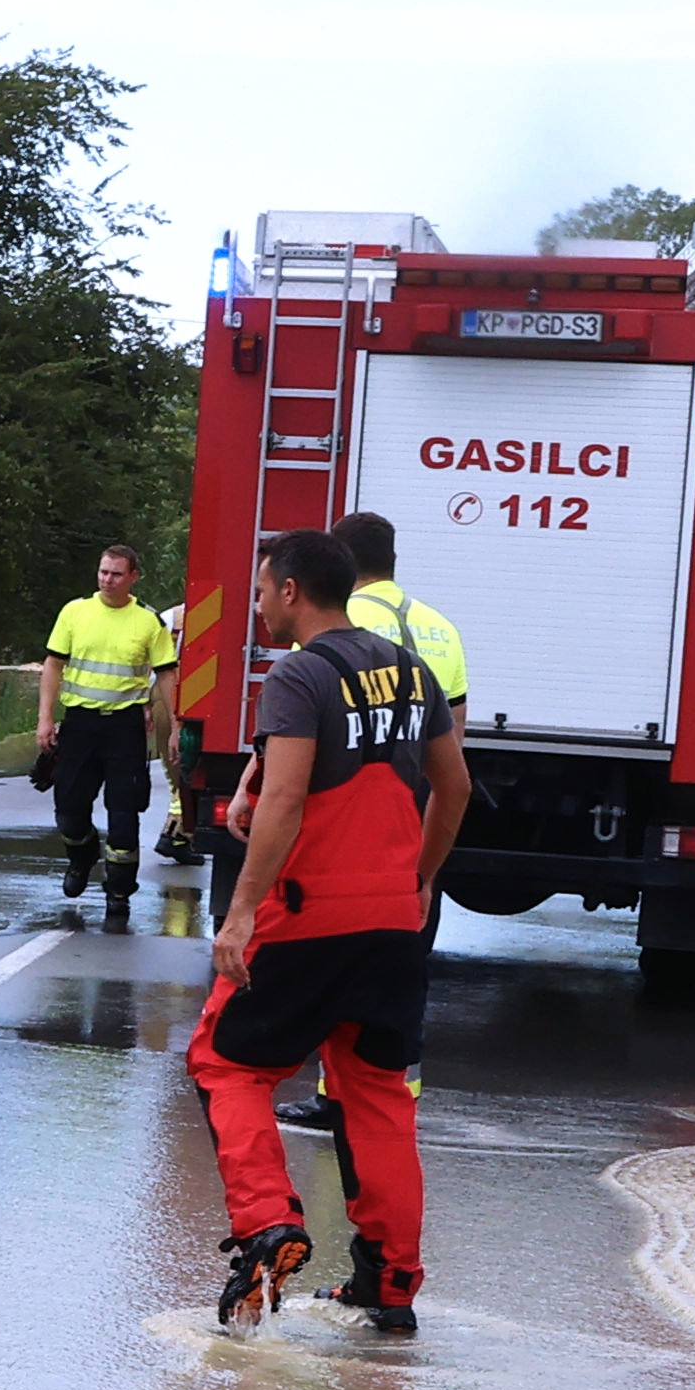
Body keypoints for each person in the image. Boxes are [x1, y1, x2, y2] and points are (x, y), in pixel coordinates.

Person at [189, 527, 466, 1330]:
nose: (256, 603)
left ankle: (268, 1221)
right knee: (377, 1096)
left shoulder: (299, 676)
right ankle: (390, 1285)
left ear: (291, 591)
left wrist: (241, 913)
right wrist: (419, 878)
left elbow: (281, 801)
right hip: (391, 926)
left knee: (225, 1062)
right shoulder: (413, 673)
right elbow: (455, 786)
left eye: (261, 588)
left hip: (309, 918)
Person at [33, 542, 178, 923]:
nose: (107, 580)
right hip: (80, 724)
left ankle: (118, 892)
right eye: (103, 572)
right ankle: (81, 859)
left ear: (133, 577)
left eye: (116, 574)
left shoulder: (148, 622)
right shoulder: (75, 612)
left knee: (124, 813)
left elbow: (166, 675)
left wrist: (174, 725)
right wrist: (45, 719)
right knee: (69, 810)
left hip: (125, 728)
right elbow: (52, 665)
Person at [330, 510, 471, 707]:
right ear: (393, 558)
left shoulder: (326, 620)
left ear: (338, 562)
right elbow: (456, 723)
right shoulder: (445, 628)